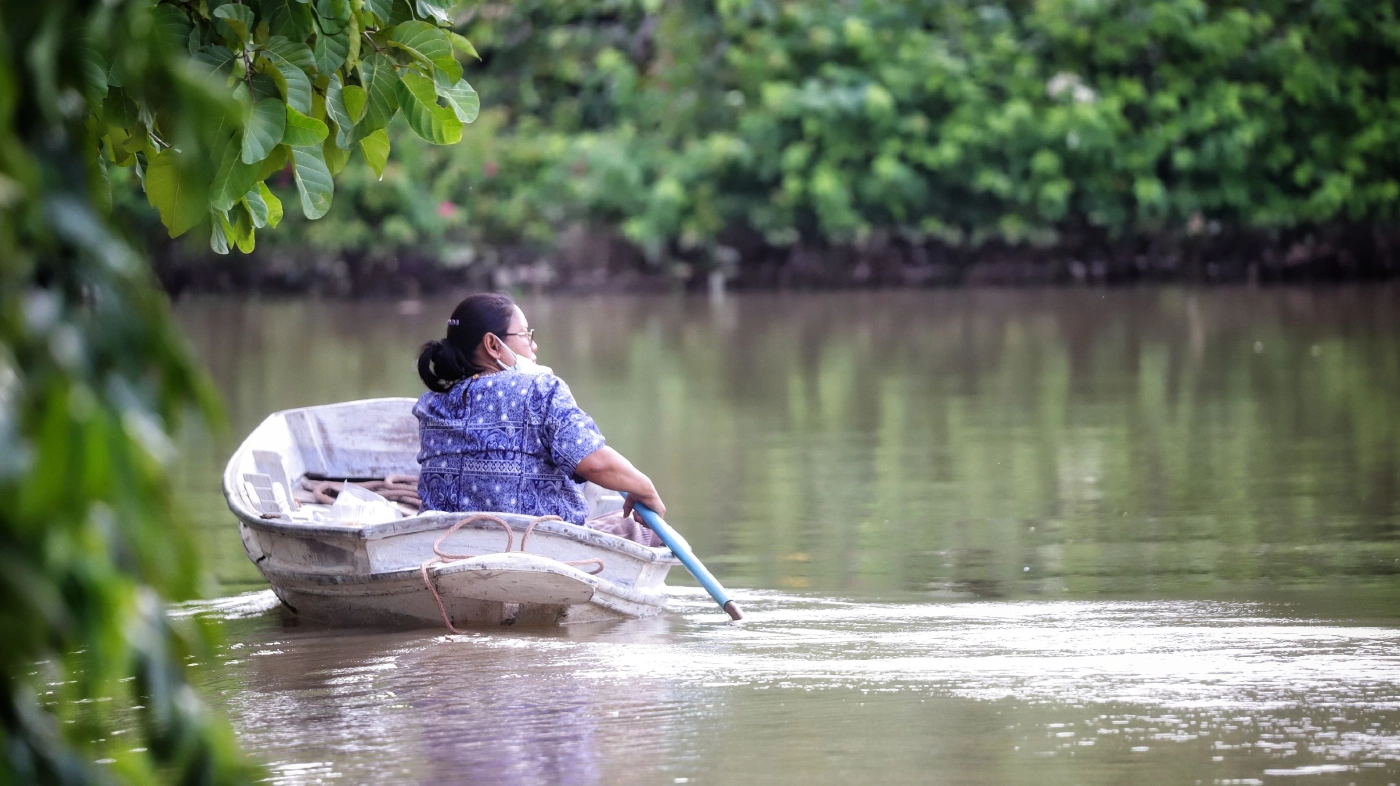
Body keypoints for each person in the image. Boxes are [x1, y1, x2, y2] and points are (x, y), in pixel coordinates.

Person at [413, 292, 665, 547]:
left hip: (446, 545)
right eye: (525, 335)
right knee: (652, 530)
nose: (534, 347)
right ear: (492, 345)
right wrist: (645, 488)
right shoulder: (540, 389)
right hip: (535, 545)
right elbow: (595, 463)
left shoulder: (430, 405)